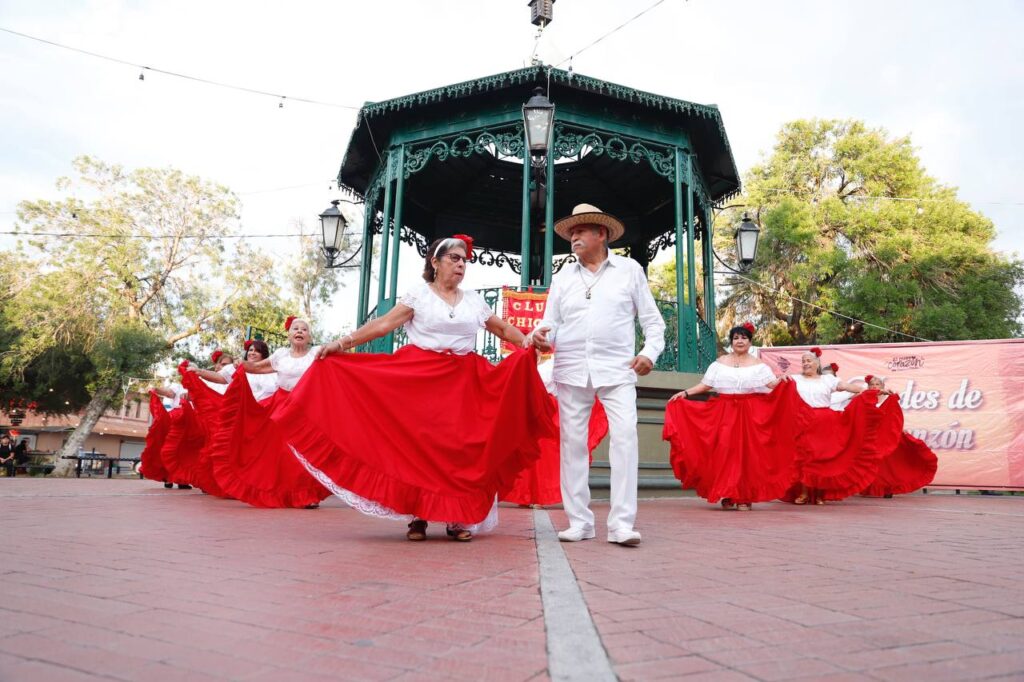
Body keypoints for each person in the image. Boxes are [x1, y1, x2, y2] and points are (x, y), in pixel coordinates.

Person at [283, 234, 555, 542]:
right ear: (435, 262)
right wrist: (341, 343)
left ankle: (458, 517)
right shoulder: (419, 295)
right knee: (420, 449)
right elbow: (384, 325)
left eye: (464, 260)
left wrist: (527, 340)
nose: (461, 264)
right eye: (454, 258)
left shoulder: (474, 301)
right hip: (421, 381)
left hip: (464, 382)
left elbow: (503, 328)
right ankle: (419, 516)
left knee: (459, 451)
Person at [528, 204, 665, 545]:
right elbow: (552, 324)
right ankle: (579, 522)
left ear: (601, 234)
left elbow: (653, 321)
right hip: (571, 370)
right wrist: (542, 335)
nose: (573, 236)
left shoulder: (629, 270)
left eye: (580, 231)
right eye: (571, 232)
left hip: (618, 370)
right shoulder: (562, 279)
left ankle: (621, 525)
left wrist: (649, 353)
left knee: (625, 440)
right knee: (572, 445)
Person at [664, 322, 797, 511]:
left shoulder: (759, 365)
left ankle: (743, 496)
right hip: (724, 411)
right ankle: (728, 492)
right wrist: (685, 393)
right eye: (736, 338)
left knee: (747, 454)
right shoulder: (719, 363)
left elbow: (770, 384)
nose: (740, 341)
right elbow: (705, 385)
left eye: (743, 338)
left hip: (750, 412)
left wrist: (781, 381)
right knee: (725, 451)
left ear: (750, 342)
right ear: (731, 342)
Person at [206, 317, 329, 509]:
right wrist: (241, 365)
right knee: (283, 452)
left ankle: (307, 495)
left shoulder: (316, 353)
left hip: (308, 407)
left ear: (309, 336)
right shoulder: (281, 355)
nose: (299, 331)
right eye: (295, 328)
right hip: (282, 405)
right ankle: (285, 492)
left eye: (304, 329)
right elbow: (256, 367)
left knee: (307, 451)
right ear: (289, 335)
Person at [788, 349, 882, 505]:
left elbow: (845, 386)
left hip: (824, 422)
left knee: (822, 459)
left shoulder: (827, 380)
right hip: (803, 421)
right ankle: (804, 493)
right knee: (805, 458)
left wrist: (870, 391)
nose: (806, 363)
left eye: (809, 360)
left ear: (817, 363)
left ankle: (819, 494)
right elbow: (775, 386)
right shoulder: (795, 379)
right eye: (803, 361)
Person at [860, 376, 938, 497]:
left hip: (885, 436)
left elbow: (895, 417)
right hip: (871, 435)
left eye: (877, 384)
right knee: (871, 462)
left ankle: (886, 488)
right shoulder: (865, 399)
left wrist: (898, 430)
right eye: (872, 384)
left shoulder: (888, 399)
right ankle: (871, 486)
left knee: (888, 463)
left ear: (882, 387)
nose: (874, 386)